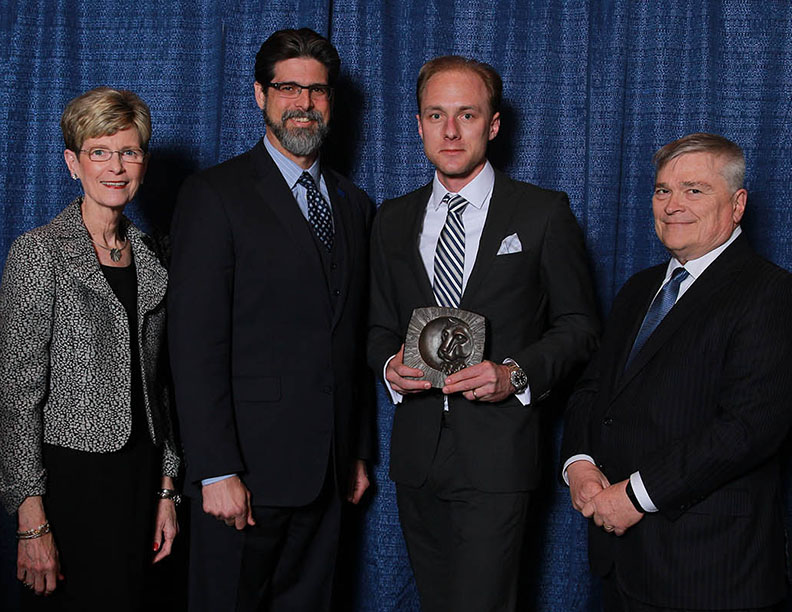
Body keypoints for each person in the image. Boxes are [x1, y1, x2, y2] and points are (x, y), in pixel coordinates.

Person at [367, 55, 599, 612]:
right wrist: (388, 368)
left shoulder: (542, 213)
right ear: (419, 123)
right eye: (436, 115)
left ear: (492, 125)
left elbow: (581, 327)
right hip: (418, 458)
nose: (450, 131)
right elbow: (377, 326)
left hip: (498, 456)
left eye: (467, 115)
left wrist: (514, 374)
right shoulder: (391, 220)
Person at [168, 28, 373, 612]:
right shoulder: (215, 195)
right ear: (260, 95)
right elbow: (193, 344)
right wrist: (214, 469)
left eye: (317, 91)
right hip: (244, 474)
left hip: (327, 474)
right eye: (288, 88)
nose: (304, 104)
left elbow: (350, 336)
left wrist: (355, 450)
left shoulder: (353, 204)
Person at [562, 133, 792, 611]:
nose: (672, 205)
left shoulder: (770, 293)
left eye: (694, 190)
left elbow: (747, 429)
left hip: (710, 570)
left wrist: (636, 497)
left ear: (737, 204)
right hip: (622, 563)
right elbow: (592, 390)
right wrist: (580, 465)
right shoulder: (638, 288)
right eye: (663, 190)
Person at [0, 87, 180, 610]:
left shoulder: (152, 254)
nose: (116, 167)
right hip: (70, 480)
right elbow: (16, 395)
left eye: (129, 151)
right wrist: (30, 518)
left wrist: (168, 489)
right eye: (100, 152)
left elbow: (161, 384)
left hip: (141, 474)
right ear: (72, 163)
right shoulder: (39, 252)